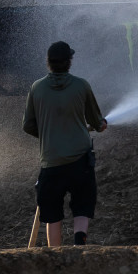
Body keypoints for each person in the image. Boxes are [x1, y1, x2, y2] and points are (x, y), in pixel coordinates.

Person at [23, 39, 107, 247]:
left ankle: (55, 255)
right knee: (82, 205)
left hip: (51, 161)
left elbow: (28, 125)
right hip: (80, 161)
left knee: (51, 213)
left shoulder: (37, 88)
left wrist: (48, 135)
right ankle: (79, 246)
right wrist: (101, 124)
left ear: (48, 62)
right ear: (69, 62)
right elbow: (97, 122)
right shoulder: (81, 85)